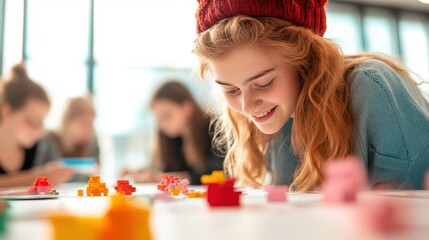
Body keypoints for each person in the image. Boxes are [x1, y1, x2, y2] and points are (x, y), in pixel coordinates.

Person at [193, 0, 429, 191]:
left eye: (263, 83)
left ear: (307, 60)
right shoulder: (279, 115)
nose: (246, 106)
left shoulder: (372, 90)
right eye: (230, 90)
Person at [122, 81, 223, 184]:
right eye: (158, 118)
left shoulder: (216, 130)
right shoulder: (174, 139)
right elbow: (168, 169)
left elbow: (218, 173)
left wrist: (162, 178)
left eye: (166, 116)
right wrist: (145, 173)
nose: (161, 125)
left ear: (187, 108)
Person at [0, 64, 74, 187]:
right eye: (32, 121)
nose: (39, 130)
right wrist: (35, 178)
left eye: (42, 122)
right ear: (7, 112)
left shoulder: (35, 148)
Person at [35, 97, 99, 181]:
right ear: (67, 121)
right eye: (84, 123)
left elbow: (94, 176)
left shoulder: (92, 144)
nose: (90, 130)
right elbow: (36, 175)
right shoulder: (47, 142)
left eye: (91, 124)